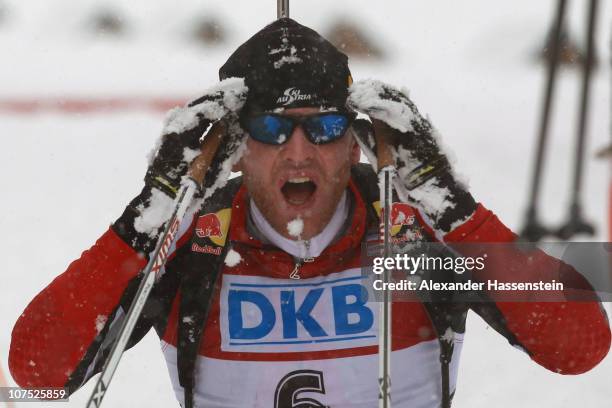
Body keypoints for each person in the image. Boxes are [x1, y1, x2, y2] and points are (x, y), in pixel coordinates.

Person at [9, 18, 611, 408]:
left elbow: (582, 344)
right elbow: (36, 370)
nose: (300, 153)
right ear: (238, 148)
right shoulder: (196, 247)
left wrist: (456, 209)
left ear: (355, 142)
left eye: (324, 127)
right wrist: (149, 212)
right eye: (272, 128)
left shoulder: (411, 242)